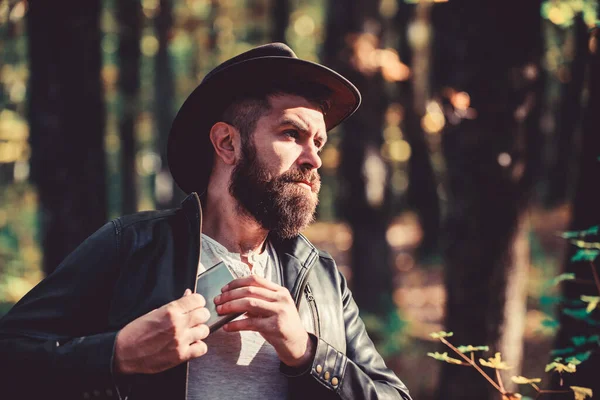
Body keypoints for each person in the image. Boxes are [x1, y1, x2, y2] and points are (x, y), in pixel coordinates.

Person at [0, 43, 412, 400]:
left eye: (318, 142)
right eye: (291, 134)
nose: (314, 159)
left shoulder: (321, 276)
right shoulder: (131, 246)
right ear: (227, 143)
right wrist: (117, 355)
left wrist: (307, 352)